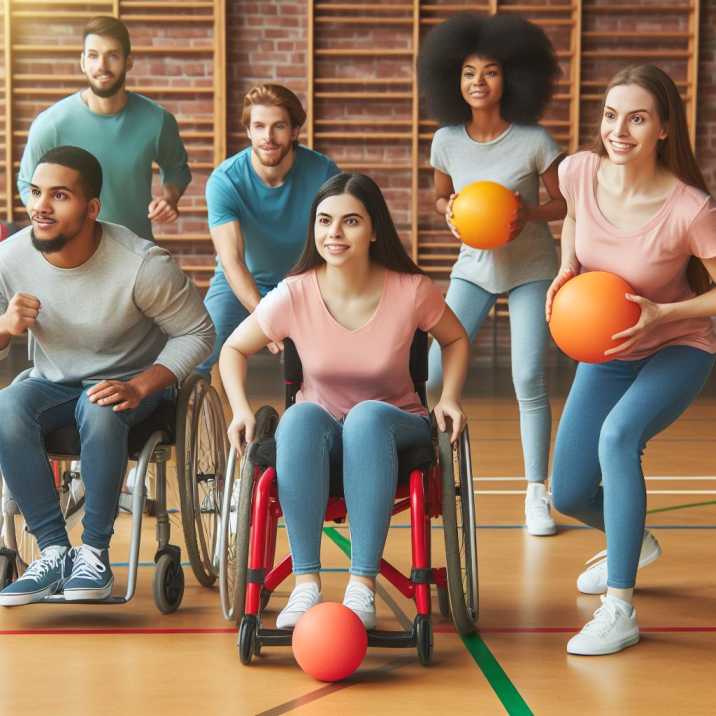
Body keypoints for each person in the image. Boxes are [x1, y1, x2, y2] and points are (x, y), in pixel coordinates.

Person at [219, 173, 469, 630]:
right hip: (320, 434)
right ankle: (306, 585)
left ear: (374, 230)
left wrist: (448, 397)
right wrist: (238, 408)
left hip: (396, 424)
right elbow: (233, 349)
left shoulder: (410, 289)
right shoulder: (295, 292)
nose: (334, 233)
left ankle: (362, 587)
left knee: (367, 418)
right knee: (298, 419)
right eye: (324, 221)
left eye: (350, 221)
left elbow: (455, 340)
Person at [546, 65, 716, 656]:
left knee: (618, 438)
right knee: (565, 493)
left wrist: (665, 317)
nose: (619, 130)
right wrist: (569, 266)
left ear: (664, 128)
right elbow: (572, 217)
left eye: (637, 118)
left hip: (678, 344)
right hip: (611, 348)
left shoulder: (689, 207)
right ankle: (633, 538)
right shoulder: (577, 171)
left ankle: (619, 608)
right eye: (611, 115)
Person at [0, 146, 214, 605]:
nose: (40, 205)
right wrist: (5, 327)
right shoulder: (12, 258)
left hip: (132, 384)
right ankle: (54, 551)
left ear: (92, 208)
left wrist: (141, 384)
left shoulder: (141, 264)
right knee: (6, 406)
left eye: (59, 195)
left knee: (99, 406)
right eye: (36, 193)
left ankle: (94, 555)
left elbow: (198, 332)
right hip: (53, 382)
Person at [417, 14, 567, 536]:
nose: (478, 81)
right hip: (474, 271)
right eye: (467, 72)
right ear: (452, 81)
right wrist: (449, 208)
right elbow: (439, 195)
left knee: (527, 377)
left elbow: (565, 202)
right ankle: (427, 477)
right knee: (432, 375)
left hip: (530, 269)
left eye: (491, 71)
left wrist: (527, 214)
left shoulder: (533, 140)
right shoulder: (446, 140)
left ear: (513, 79)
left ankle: (536, 494)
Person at [198, 84, 339, 374]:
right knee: (199, 352)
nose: (268, 137)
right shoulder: (225, 181)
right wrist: (266, 316)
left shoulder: (323, 173)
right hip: (241, 280)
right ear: (248, 131)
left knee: (333, 358)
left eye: (279, 127)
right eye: (259, 126)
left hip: (306, 280)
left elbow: (339, 241)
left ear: (295, 131)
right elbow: (232, 260)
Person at [17, 16, 190, 240]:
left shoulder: (157, 121)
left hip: (134, 252)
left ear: (129, 61)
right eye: (93, 56)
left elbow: (177, 170)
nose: (102, 66)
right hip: (70, 252)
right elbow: (26, 184)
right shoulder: (50, 124)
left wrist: (169, 198)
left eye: (113, 55)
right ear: (82, 62)